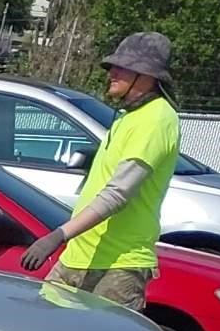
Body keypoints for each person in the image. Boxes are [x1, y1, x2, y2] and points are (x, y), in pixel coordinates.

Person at [18, 32, 182, 309]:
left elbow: (117, 194)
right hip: (79, 256)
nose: (112, 72)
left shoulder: (156, 118)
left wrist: (58, 235)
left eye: (123, 67)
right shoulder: (129, 117)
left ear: (147, 77)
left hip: (117, 267)